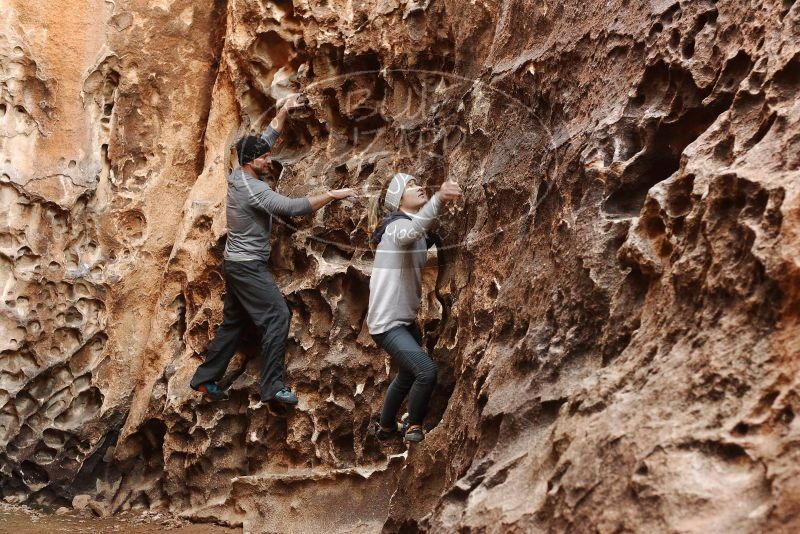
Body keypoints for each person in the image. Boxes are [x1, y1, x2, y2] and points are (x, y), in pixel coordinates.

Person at [191, 94, 356, 405]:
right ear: (253, 162)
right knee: (278, 315)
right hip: (247, 267)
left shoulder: (240, 172)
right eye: (265, 158)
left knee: (234, 323)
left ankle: (204, 380)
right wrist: (332, 194)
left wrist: (282, 111)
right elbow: (292, 207)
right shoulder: (254, 189)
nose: (270, 160)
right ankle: (272, 388)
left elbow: (265, 140)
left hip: (237, 264)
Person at [367, 172, 462, 442]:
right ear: (398, 199)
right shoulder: (395, 228)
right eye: (410, 185)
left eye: (417, 182)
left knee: (407, 374)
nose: (419, 186)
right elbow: (414, 230)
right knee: (426, 371)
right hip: (388, 325)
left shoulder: (411, 229)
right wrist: (439, 197)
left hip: (403, 320)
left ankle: (385, 428)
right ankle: (414, 427)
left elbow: (421, 232)